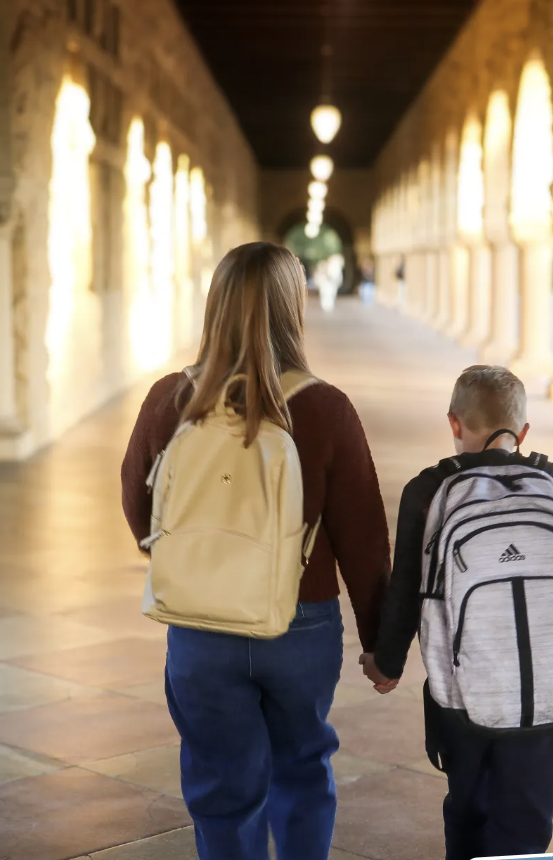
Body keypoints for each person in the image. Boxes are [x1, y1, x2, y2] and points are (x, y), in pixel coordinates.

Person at [121, 241, 390, 860]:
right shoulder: (324, 406)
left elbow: (139, 506)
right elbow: (364, 539)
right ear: (293, 308)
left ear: (213, 306)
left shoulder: (170, 399)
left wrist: (196, 565)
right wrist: (381, 642)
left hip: (199, 627)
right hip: (300, 621)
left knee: (220, 783)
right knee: (301, 768)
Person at [362, 365, 553, 860]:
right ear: (523, 432)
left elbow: (405, 589)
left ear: (454, 424)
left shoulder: (428, 489)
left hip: (463, 690)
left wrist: (386, 662)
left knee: (468, 807)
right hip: (546, 688)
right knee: (529, 818)